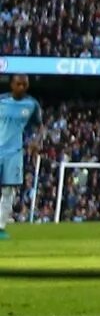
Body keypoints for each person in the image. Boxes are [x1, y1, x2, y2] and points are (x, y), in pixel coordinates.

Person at [0, 75, 44, 241]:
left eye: (25, 84)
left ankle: (1, 227)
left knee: (8, 190)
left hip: (14, 153)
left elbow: (40, 126)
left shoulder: (32, 105)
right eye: (18, 84)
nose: (22, 87)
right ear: (12, 85)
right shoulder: (2, 100)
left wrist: (36, 141)